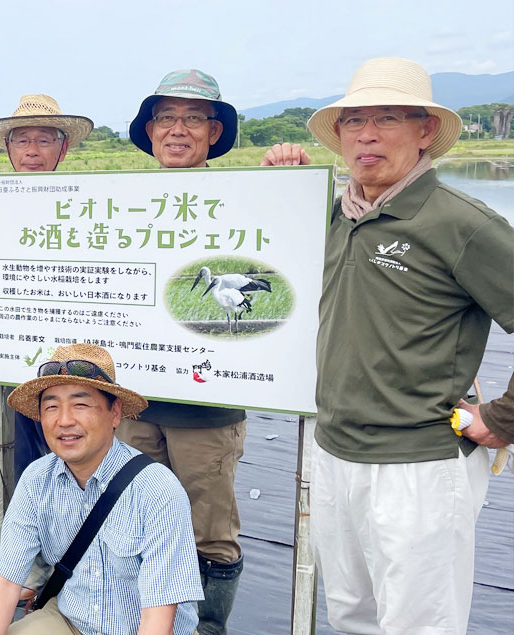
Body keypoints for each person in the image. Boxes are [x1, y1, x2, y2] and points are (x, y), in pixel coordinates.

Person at [305, 57, 514, 635]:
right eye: (353, 121)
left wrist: (503, 418)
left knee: (420, 626)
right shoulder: (335, 214)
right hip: (333, 454)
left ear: (425, 132)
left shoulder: (460, 222)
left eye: (387, 118)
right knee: (350, 616)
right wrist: (284, 173)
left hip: (418, 466)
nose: (366, 135)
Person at [123, 68, 311, 634]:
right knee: (138, 519)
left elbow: (303, 248)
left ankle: (208, 625)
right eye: (166, 118)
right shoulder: (120, 206)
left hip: (208, 407)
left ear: (214, 132)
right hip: (133, 403)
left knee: (209, 530)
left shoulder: (248, 201)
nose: (178, 130)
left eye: (194, 118)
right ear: (150, 130)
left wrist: (293, 182)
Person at [0, 344, 203, 635]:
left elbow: (158, 619)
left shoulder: (158, 491)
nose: (64, 420)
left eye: (81, 404)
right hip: (71, 619)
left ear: (115, 413)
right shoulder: (36, 480)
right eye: (51, 406)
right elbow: (5, 582)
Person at [0, 94, 94, 478]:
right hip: (12, 353)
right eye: (22, 140)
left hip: (71, 360)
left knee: (78, 454)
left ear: (64, 146)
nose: (32, 151)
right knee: (20, 459)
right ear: (8, 147)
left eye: (44, 139)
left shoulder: (87, 205)